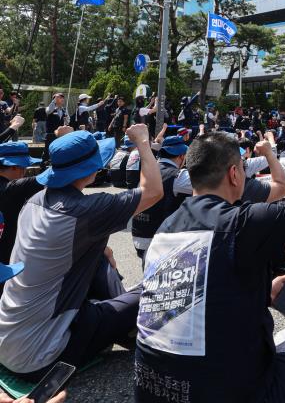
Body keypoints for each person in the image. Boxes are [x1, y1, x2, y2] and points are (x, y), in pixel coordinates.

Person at [133, 122, 285, 403]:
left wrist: (261, 292)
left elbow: (188, 301)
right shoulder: (243, 222)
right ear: (234, 174)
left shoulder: (166, 228)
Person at [0, 124, 163, 376]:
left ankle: (119, 324)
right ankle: (127, 329)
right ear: (94, 169)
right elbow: (153, 191)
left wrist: (103, 250)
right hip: (41, 357)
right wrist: (143, 142)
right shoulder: (87, 211)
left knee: (100, 257)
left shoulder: (34, 201)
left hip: (9, 340)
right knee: (155, 287)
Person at [131, 136, 188, 264]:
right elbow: (207, 185)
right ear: (181, 156)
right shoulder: (178, 176)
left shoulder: (147, 172)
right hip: (160, 240)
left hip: (139, 235)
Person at [0, 140, 43, 264]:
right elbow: (57, 175)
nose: (24, 172)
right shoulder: (13, 188)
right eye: (24, 167)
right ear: (15, 166)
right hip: (8, 259)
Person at [44, 93, 68, 162]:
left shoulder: (64, 110)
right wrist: (54, 101)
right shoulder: (49, 108)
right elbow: (48, 111)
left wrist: (66, 121)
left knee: (59, 151)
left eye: (62, 98)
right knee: (47, 151)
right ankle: (43, 166)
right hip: (51, 134)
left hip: (60, 135)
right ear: (55, 99)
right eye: (60, 97)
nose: (62, 99)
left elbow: (67, 121)